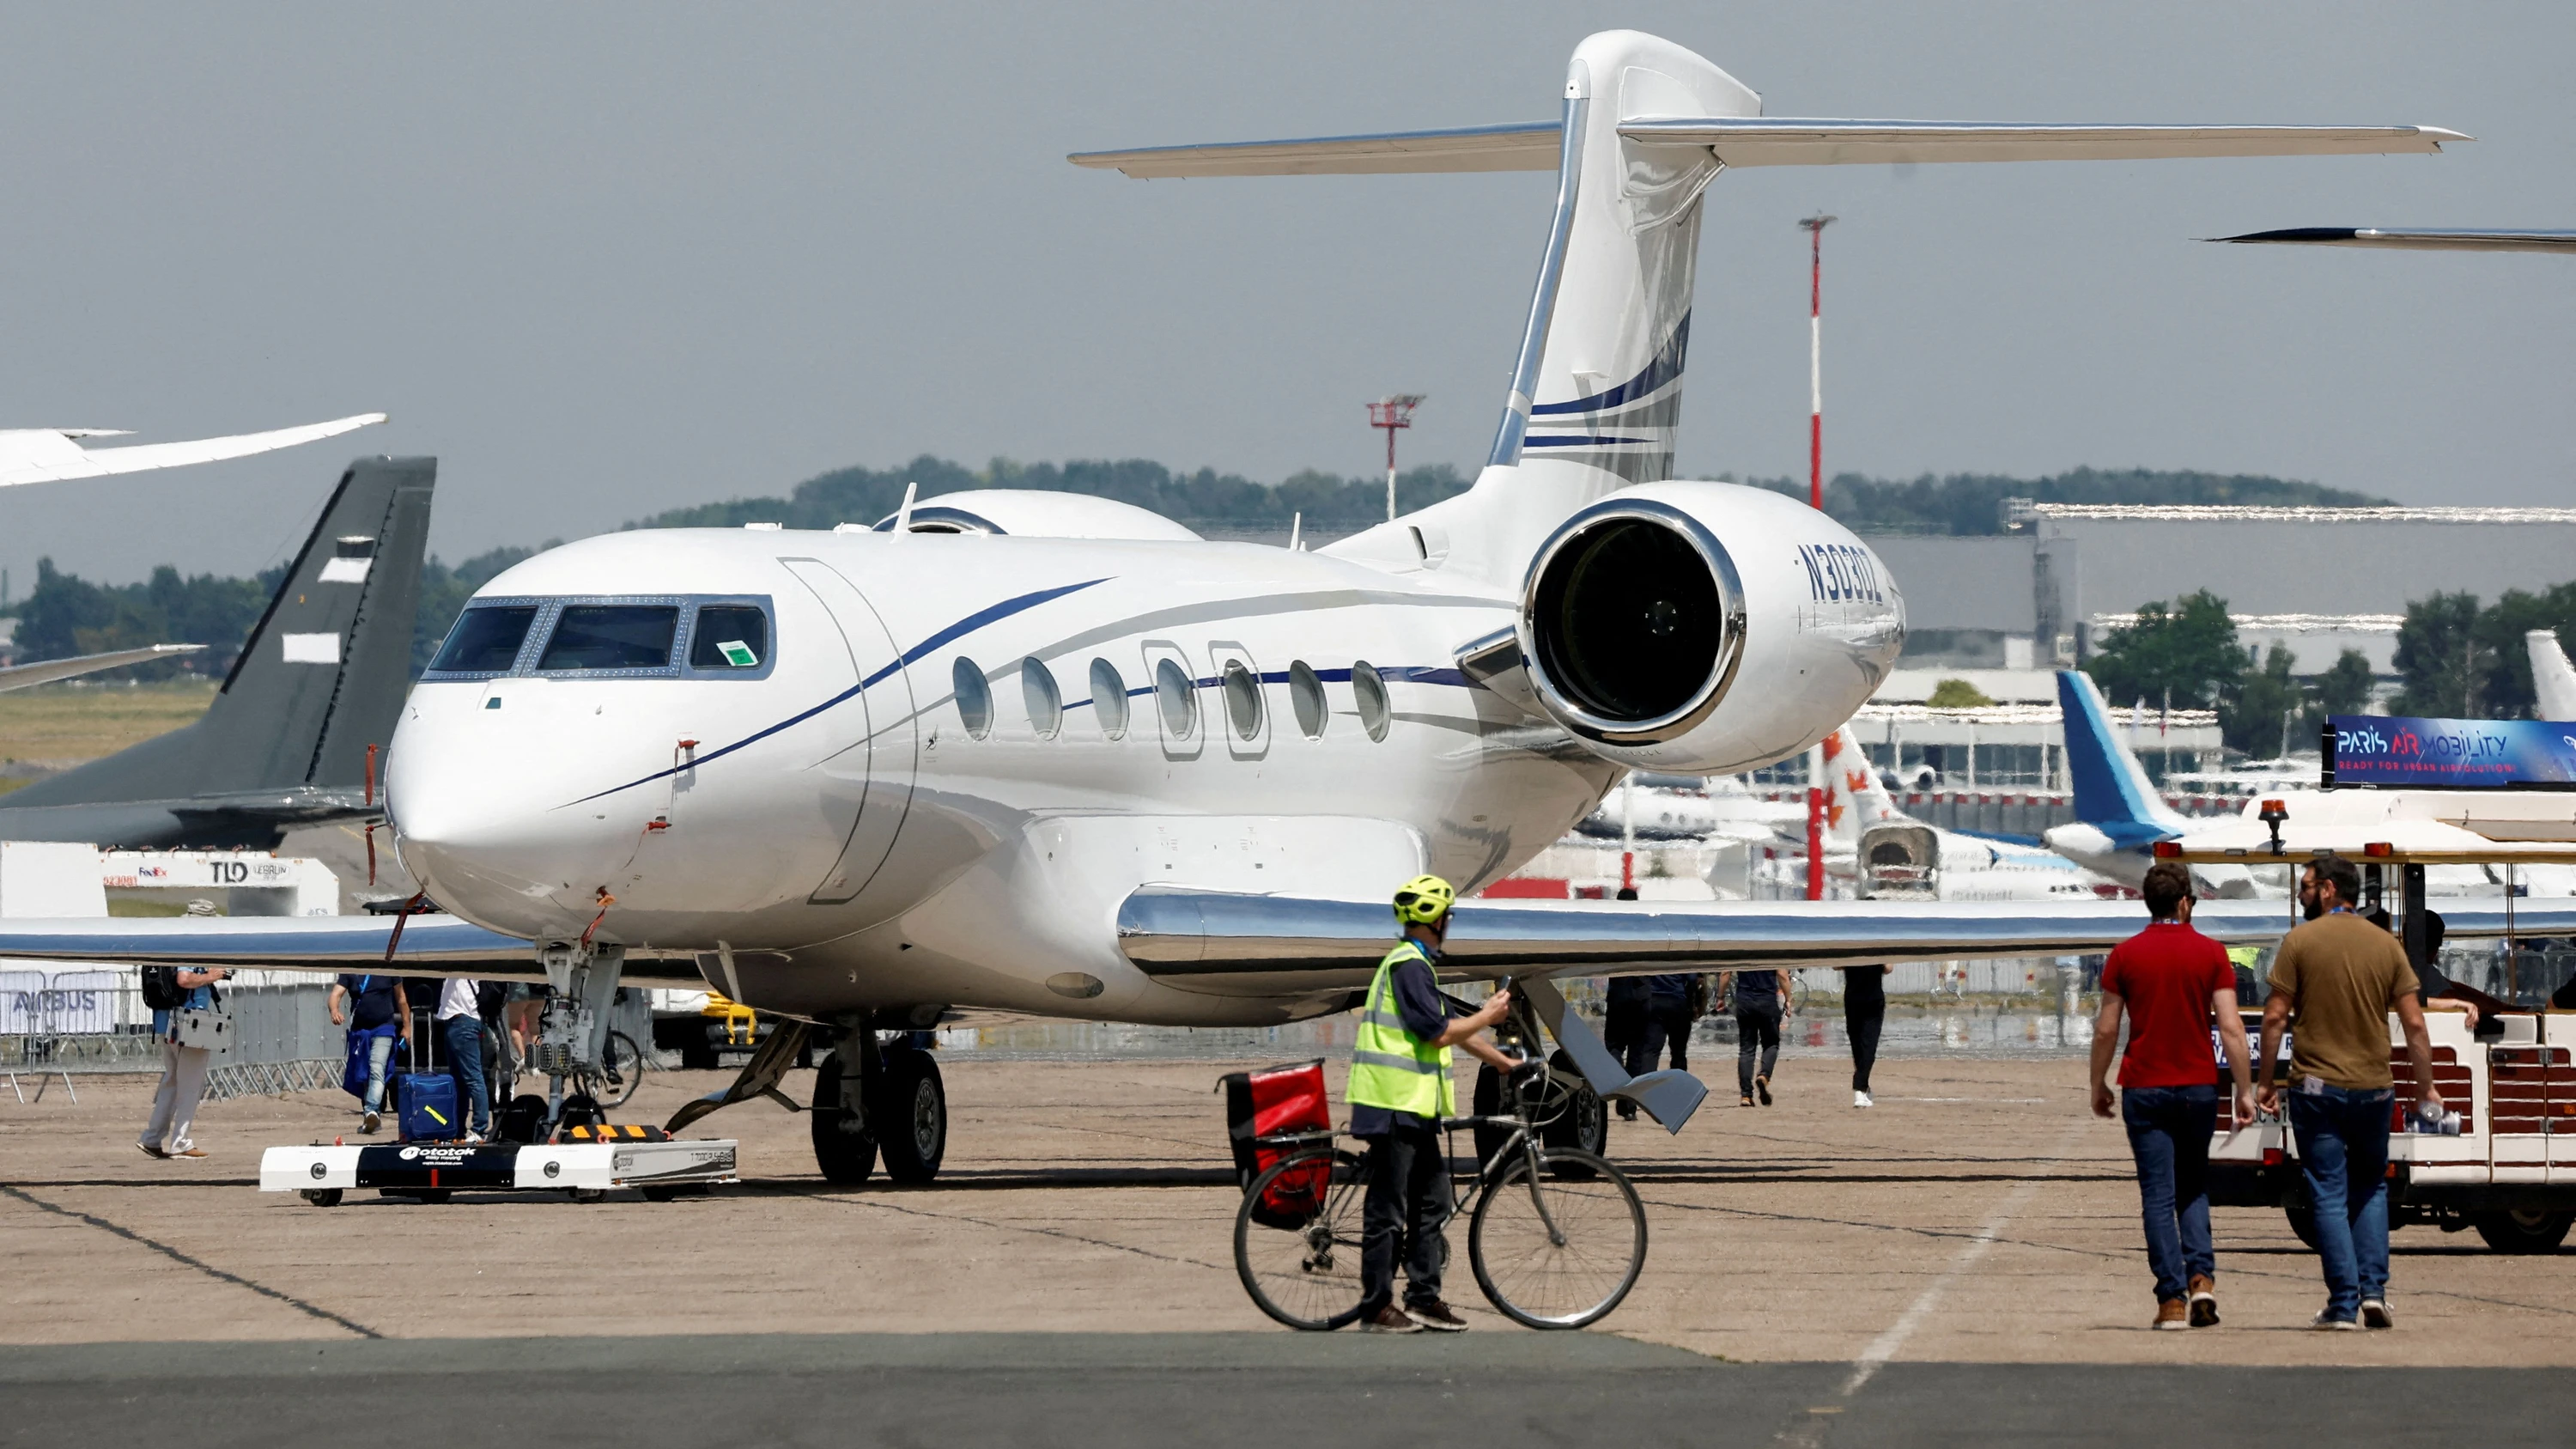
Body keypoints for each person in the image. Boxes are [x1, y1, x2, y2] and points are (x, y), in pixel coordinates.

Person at [2259, 853, 2440, 1331]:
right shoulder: (2385, 945)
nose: (2301, 894)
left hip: (2318, 1090)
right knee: (2371, 1187)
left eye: (2306, 885)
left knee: (2328, 1191)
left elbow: (2276, 1017)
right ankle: (2375, 1292)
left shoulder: (2299, 942)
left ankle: (2342, 1303)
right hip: (2375, 1090)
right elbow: (2415, 1023)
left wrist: (2264, 1081)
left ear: (2328, 890)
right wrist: (2427, 1088)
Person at [2088, 861, 2254, 1330]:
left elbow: (2106, 1029)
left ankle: (2171, 1300)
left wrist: (2098, 1082)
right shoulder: (2210, 953)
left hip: (2144, 1085)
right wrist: (2243, 1089)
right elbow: (2231, 1027)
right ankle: (2202, 1276)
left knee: (2157, 1195)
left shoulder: (2125, 955)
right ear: (2185, 902)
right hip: (2198, 1086)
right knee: (2194, 1185)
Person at [1349, 874, 1517, 1334]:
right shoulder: (1408, 966)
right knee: (1389, 1211)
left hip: (1414, 1107)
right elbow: (1438, 1033)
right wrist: (1487, 1016)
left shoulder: (1417, 965)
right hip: (1391, 1104)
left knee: (1433, 1202)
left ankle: (1423, 1298)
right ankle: (1376, 1307)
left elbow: (1448, 1028)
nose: (1450, 923)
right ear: (1437, 919)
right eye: (1449, 916)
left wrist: (1502, 1061)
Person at [137, 965, 231, 1160]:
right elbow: (184, 979)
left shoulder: (166, 952)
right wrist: (209, 976)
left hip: (165, 1024)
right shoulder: (189, 953)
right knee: (190, 1086)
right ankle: (180, 1143)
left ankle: (152, 1138)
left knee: (171, 1084)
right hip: (188, 1025)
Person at [330, 972, 410, 1134]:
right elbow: (335, 995)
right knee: (364, 1074)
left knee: (376, 1068)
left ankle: (372, 1111)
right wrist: (334, 1010)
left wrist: (407, 1027)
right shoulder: (350, 971)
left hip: (384, 1028)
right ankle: (371, 1118)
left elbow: (401, 999)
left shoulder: (388, 970)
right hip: (361, 1032)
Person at [1722, 966, 1789, 1106]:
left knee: (1747, 1049)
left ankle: (1746, 1096)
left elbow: (1725, 972)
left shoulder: (1740, 948)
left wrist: (1720, 996)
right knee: (1771, 1044)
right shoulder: (1773, 950)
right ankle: (1764, 1076)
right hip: (1767, 1001)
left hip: (1745, 1002)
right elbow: (1782, 974)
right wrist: (1789, 999)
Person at [435, 977, 492, 1142]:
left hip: (463, 1021)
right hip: (453, 1022)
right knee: (459, 1081)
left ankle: (479, 1128)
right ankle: (458, 1129)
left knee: (473, 1078)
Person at [1843, 965, 1889, 1108]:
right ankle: (1860, 1088)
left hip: (1856, 997)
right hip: (1867, 997)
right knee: (1866, 1044)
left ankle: (1863, 1087)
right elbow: (1888, 968)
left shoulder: (1851, 945)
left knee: (1860, 1043)